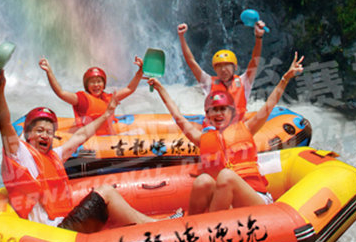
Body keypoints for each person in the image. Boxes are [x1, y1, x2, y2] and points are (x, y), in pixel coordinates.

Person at [0, 67, 156, 232]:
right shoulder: (21, 154)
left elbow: (81, 135)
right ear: (28, 134)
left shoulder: (54, 156)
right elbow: (4, 126)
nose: (45, 136)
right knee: (105, 191)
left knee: (104, 200)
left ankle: (148, 224)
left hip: (63, 224)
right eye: (39, 131)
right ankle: (154, 225)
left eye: (49, 132)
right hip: (52, 232)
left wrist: (106, 115)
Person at [150, 52, 304, 213]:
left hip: (256, 198)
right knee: (202, 180)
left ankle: (211, 224)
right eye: (213, 110)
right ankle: (192, 226)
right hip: (226, 204)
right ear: (207, 115)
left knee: (226, 176)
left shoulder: (247, 128)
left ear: (231, 112)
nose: (218, 114)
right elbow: (178, 116)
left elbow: (269, 105)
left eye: (223, 109)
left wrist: (285, 79)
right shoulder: (203, 138)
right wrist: (160, 89)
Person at [177, 19, 265, 119]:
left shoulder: (245, 82)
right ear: (215, 69)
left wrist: (259, 37)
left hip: (237, 128)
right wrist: (181, 37)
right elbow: (191, 62)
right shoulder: (209, 82)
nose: (223, 70)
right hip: (216, 128)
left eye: (227, 65)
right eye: (219, 66)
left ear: (235, 67)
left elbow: (255, 60)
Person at [38, 56, 144, 135]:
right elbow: (61, 93)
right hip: (91, 142)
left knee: (140, 132)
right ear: (87, 85)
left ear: (104, 84)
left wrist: (140, 73)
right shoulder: (83, 100)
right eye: (92, 82)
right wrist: (49, 72)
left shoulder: (109, 98)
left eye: (99, 81)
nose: (96, 85)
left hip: (108, 140)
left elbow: (130, 89)